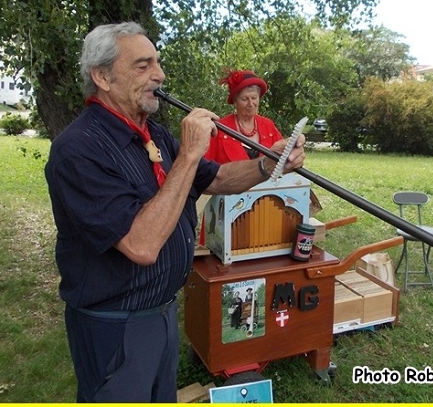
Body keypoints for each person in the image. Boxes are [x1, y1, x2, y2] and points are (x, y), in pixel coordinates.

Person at [44, 22, 305, 403]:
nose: (159, 75)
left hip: (163, 314)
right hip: (114, 327)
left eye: (158, 63)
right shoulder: (78, 151)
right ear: (102, 76)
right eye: (142, 65)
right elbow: (142, 245)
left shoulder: (155, 134)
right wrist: (189, 154)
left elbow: (217, 179)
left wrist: (271, 162)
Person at [204, 69, 283, 163]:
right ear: (235, 101)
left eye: (254, 98)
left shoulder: (268, 125)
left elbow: (283, 156)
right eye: (244, 99)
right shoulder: (220, 129)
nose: (251, 103)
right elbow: (205, 168)